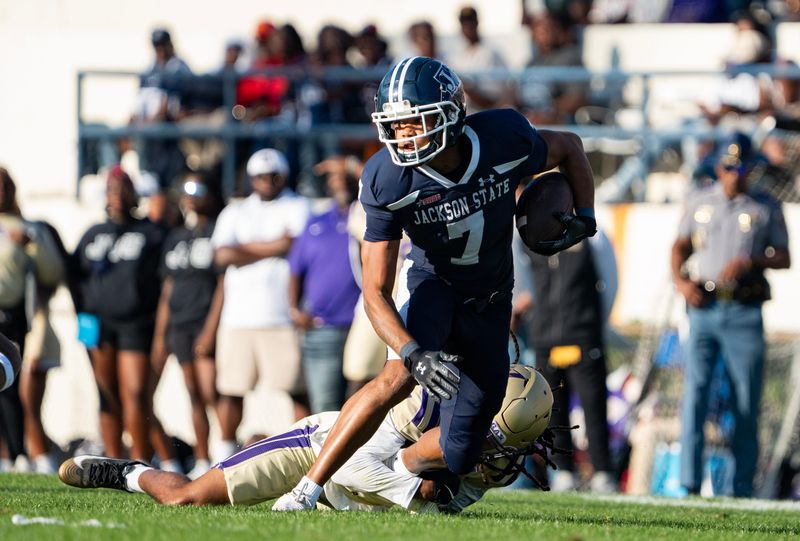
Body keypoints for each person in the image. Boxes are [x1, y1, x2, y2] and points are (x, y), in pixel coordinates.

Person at [273, 56, 596, 510]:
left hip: (491, 300)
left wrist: (585, 216)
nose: (401, 136)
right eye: (395, 125)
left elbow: (570, 146)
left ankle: (397, 474)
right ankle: (307, 488)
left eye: (414, 123)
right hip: (435, 287)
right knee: (396, 378)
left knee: (461, 450)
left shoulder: (503, 138)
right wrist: (413, 352)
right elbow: (374, 291)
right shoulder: (388, 177)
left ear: (451, 114)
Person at [58, 365, 553, 513]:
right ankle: (127, 472)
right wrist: (415, 490)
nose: (495, 458)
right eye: (490, 442)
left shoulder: (494, 457)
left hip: (345, 501)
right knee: (186, 499)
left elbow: (445, 501)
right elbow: (355, 466)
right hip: (319, 449)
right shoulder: (410, 413)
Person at [671, 133, 791, 498]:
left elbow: (784, 257)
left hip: (743, 310)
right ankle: (689, 484)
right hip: (704, 308)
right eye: (727, 167)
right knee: (695, 395)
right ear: (718, 167)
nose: (734, 174)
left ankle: (742, 487)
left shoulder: (765, 206)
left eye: (740, 167)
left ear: (751, 168)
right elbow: (679, 247)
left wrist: (752, 260)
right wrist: (681, 283)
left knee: (745, 399)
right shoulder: (699, 200)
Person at [211, 149, 311, 460]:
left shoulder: (298, 205)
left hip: (280, 316)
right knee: (230, 390)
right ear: (251, 179)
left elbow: (294, 244)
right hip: (237, 317)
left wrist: (242, 249)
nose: (267, 182)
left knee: (296, 389)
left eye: (273, 176)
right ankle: (223, 455)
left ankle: (305, 455)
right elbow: (220, 255)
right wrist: (274, 246)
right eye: (261, 176)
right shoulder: (235, 211)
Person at [71, 166, 169, 464]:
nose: (117, 195)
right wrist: (83, 316)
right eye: (112, 190)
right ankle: (113, 462)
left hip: (136, 324)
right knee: (106, 394)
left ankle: (139, 462)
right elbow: (74, 275)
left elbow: (164, 280)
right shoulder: (93, 234)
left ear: (133, 193)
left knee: (136, 393)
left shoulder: (151, 233)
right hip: (98, 324)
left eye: (123, 189)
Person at [518, 220, 618, 493]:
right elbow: (524, 284)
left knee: (594, 406)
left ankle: (603, 471)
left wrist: (594, 324)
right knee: (552, 408)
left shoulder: (592, 234)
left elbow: (610, 281)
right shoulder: (527, 236)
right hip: (545, 337)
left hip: (583, 336)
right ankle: (563, 470)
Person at [152, 174, 225, 478]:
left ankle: (226, 452)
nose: (192, 196)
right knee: (193, 393)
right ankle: (201, 458)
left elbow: (223, 283)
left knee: (212, 392)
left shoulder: (218, 232)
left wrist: (210, 329)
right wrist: (160, 335)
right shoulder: (177, 236)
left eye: (199, 189)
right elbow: (168, 289)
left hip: (204, 321)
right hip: (179, 325)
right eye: (187, 190)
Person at [0, 168, 63, 469]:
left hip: (11, 316)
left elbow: (52, 274)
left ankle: (17, 453)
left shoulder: (27, 228)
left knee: (10, 385)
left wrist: (31, 244)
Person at [287, 160, 362, 413]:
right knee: (325, 409)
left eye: (346, 177)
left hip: (364, 325)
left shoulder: (367, 216)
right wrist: (293, 309)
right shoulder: (315, 222)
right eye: (335, 177)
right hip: (322, 327)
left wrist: (353, 166)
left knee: (363, 408)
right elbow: (295, 270)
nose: (340, 181)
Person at [19, 222, 69, 474]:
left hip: (33, 325)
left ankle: (42, 457)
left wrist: (30, 244)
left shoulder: (32, 231)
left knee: (27, 398)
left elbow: (52, 276)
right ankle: (17, 455)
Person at [447, 6, 509, 112]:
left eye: (471, 22)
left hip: (486, 114)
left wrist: (465, 86)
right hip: (463, 112)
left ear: (477, 23)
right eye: (464, 24)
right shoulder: (456, 55)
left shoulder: (491, 52)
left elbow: (490, 99)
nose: (468, 27)